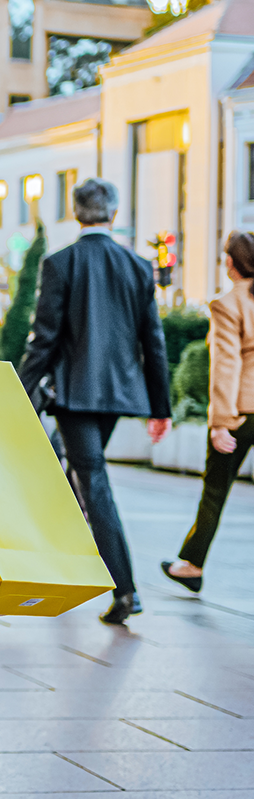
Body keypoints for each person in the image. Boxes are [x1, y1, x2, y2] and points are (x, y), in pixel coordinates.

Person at [19, 178, 171, 625]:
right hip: (119, 393)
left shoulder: (61, 263)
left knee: (92, 477)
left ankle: (125, 590)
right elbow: (154, 343)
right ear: (115, 213)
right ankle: (63, 565)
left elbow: (43, 341)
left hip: (75, 394)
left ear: (75, 212)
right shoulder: (139, 266)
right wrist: (160, 407)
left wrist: (21, 396)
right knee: (78, 468)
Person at [162, 232, 254, 592]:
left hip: (242, 412)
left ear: (230, 262)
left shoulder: (228, 303)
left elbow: (226, 365)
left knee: (215, 490)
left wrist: (221, 423)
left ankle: (192, 565)